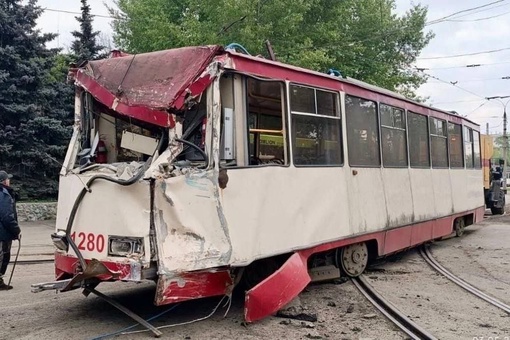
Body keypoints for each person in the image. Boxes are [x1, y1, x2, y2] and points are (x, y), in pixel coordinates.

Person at [0, 170, 21, 290]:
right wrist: (16, 230)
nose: (9, 180)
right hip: (3, 234)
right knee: (3, 256)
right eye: (8, 179)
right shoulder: (4, 194)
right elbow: (7, 217)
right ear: (4, 181)